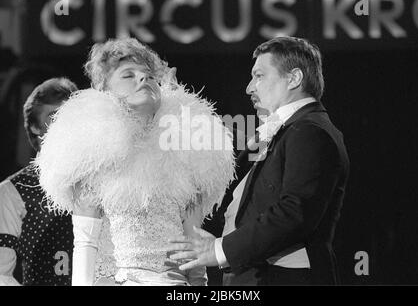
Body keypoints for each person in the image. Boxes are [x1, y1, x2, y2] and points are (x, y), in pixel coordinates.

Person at [35, 38, 235, 286]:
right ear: (106, 92)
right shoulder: (93, 159)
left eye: (150, 76)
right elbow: (85, 244)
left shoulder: (187, 156)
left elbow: (192, 248)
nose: (144, 79)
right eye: (128, 75)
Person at [167, 36, 350, 285]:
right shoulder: (283, 130)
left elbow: (295, 212)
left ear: (294, 78)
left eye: (259, 76)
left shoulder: (310, 131)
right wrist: (175, 105)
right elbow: (228, 178)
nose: (249, 87)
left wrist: (219, 250)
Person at [0, 77, 77, 286]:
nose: (65, 124)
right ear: (35, 127)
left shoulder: (104, 181)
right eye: (54, 116)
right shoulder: (13, 191)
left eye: (70, 116)